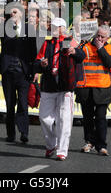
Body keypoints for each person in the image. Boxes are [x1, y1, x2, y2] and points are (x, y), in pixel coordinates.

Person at [34, 18, 86, 161]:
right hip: (49, 85)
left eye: (57, 27)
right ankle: (51, 144)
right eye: (53, 27)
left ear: (63, 28)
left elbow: (82, 56)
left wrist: (74, 51)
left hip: (65, 86)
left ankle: (62, 150)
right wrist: (42, 64)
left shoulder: (69, 40)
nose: (54, 29)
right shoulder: (48, 43)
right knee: (44, 118)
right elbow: (37, 62)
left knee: (64, 119)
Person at [76, 25, 111, 156]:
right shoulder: (85, 46)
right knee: (87, 117)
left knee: (101, 118)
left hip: (102, 88)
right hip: (86, 87)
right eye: (98, 35)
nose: (99, 38)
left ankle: (101, 145)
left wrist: (100, 48)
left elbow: (109, 63)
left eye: (102, 37)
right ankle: (89, 142)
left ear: (108, 38)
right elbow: (76, 57)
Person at [0, 3, 37, 143]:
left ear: (21, 14)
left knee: (22, 102)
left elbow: (33, 52)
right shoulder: (4, 28)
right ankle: (10, 134)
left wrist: (34, 71)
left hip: (23, 72)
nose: (12, 15)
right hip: (8, 71)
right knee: (10, 104)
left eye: (15, 12)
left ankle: (24, 132)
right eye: (10, 13)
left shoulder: (29, 29)